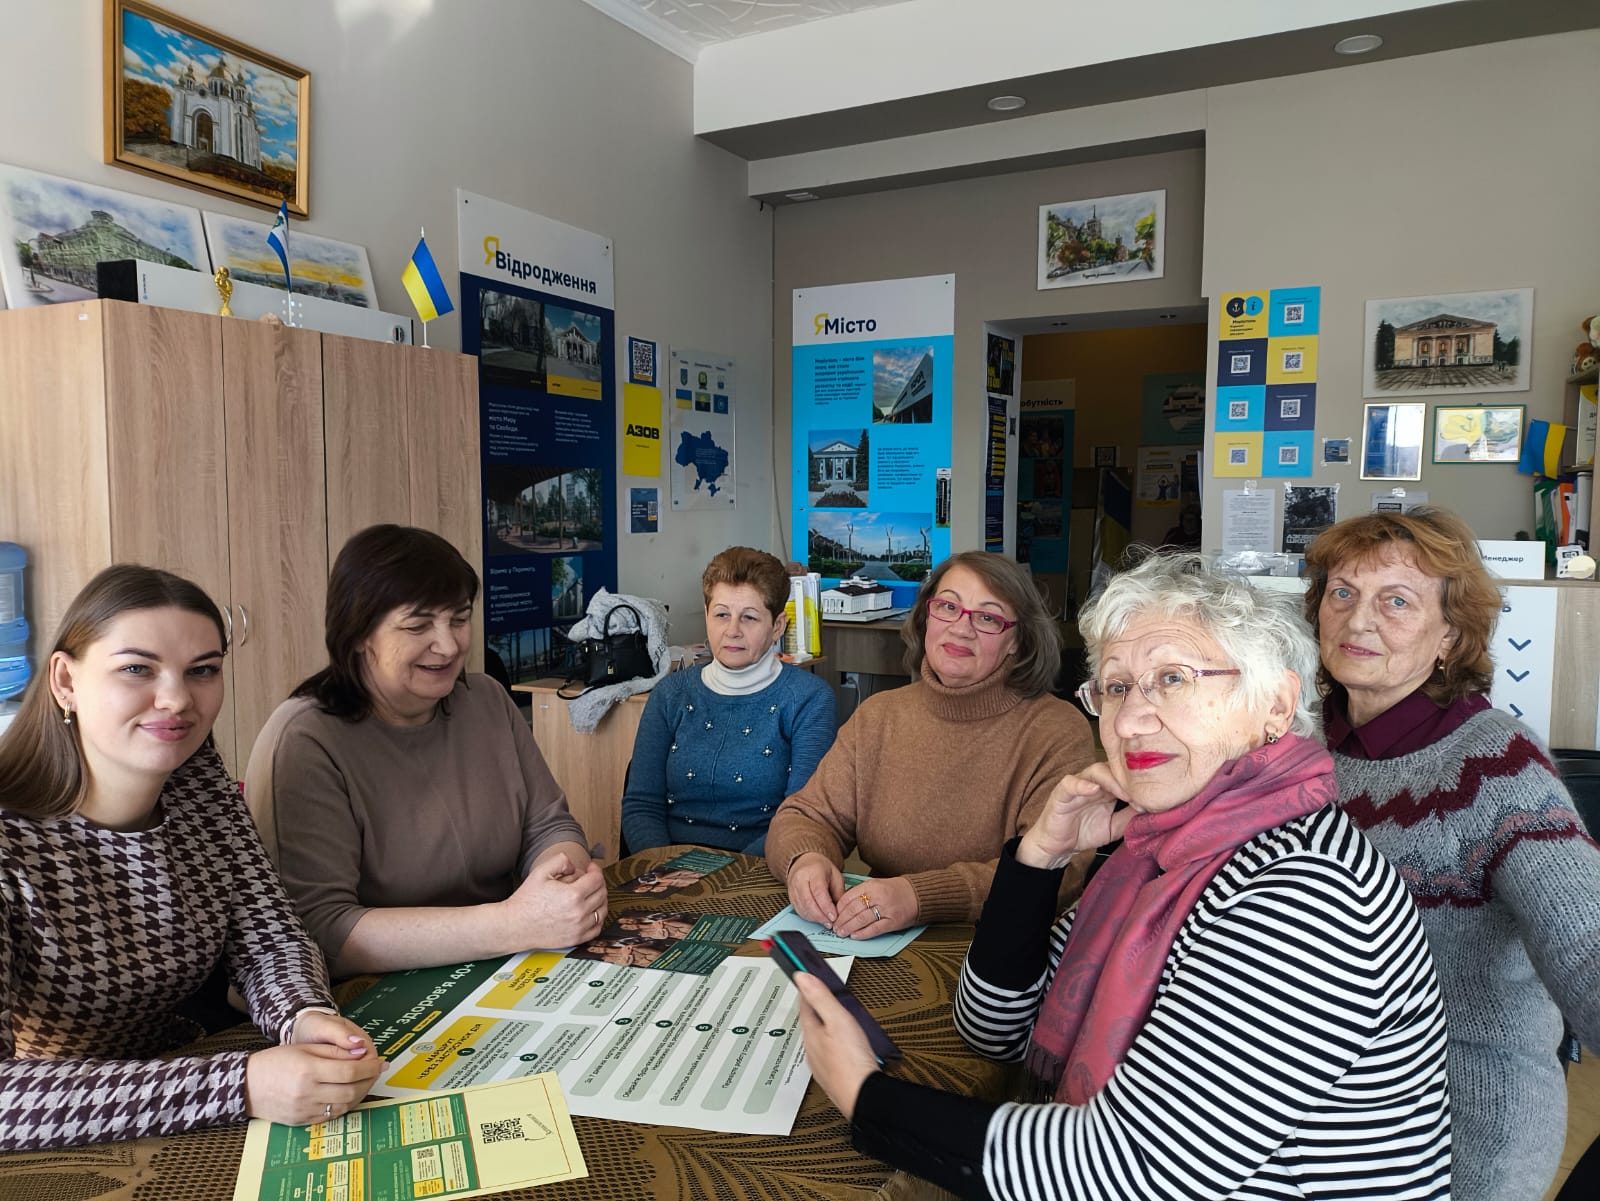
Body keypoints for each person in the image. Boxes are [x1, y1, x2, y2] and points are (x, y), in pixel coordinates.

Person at [794, 552, 1451, 1198]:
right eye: (1115, 687)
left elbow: (1128, 1169)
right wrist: (1038, 858)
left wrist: (865, 1096)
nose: (1131, 719)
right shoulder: (1154, 853)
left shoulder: (1308, 895)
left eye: (1173, 678)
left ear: (1275, 704)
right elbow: (993, 1029)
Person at [0, 566, 382, 1151]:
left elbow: (270, 938)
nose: (178, 699)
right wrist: (239, 1085)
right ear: (65, 680)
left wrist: (304, 1014)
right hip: (65, 1130)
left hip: (191, 1067)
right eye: (137, 669)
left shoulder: (197, 782)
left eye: (202, 670)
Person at [1303, 506, 1600, 1201]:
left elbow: (1584, 934)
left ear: (1450, 635)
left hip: (1461, 1117)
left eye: (1396, 601)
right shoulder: (1298, 745)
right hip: (1314, 1103)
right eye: (1341, 592)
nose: (1357, 619)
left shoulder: (1493, 763)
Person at [258, 525, 606, 977]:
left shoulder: (487, 699)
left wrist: (564, 886)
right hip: (376, 990)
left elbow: (549, 825)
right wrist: (513, 923)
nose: (448, 645)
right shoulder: (306, 739)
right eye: (418, 625)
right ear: (359, 633)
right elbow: (320, 930)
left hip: (506, 963)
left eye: (459, 619)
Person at [766, 551, 1095, 937]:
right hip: (873, 935)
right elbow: (805, 816)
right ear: (926, 618)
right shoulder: (879, 716)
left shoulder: (1056, 730)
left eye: (987, 618)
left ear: (1017, 641)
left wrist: (920, 897)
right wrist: (806, 859)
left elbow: (1059, 870)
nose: (961, 629)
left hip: (995, 942)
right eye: (948, 607)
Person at [622, 547, 834, 856]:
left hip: (761, 866)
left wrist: (725, 876)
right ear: (706, 615)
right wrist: (665, 870)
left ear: (778, 626)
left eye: (749, 617)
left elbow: (800, 817)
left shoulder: (809, 699)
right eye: (722, 615)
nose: (732, 631)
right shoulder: (670, 694)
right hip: (666, 867)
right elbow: (642, 805)